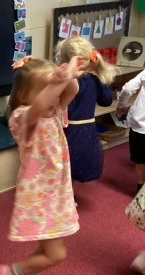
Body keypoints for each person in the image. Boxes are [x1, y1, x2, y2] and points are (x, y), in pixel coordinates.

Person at [0, 55, 84, 275]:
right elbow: (40, 104)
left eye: (55, 89)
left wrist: (69, 74)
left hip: (57, 195)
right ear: (23, 95)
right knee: (56, 254)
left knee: (47, 251)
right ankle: (9, 273)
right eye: (47, 89)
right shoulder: (22, 118)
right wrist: (58, 80)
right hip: (39, 199)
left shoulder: (53, 111)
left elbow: (71, 90)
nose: (55, 96)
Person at [54, 36, 117, 190]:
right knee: (77, 162)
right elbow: (106, 101)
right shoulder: (94, 80)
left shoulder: (63, 82)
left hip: (67, 130)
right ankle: (69, 195)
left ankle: (66, 196)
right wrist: (101, 79)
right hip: (87, 130)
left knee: (64, 164)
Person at [115, 69, 145, 194]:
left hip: (140, 125)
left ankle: (140, 191)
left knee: (141, 160)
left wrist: (121, 105)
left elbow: (128, 89)